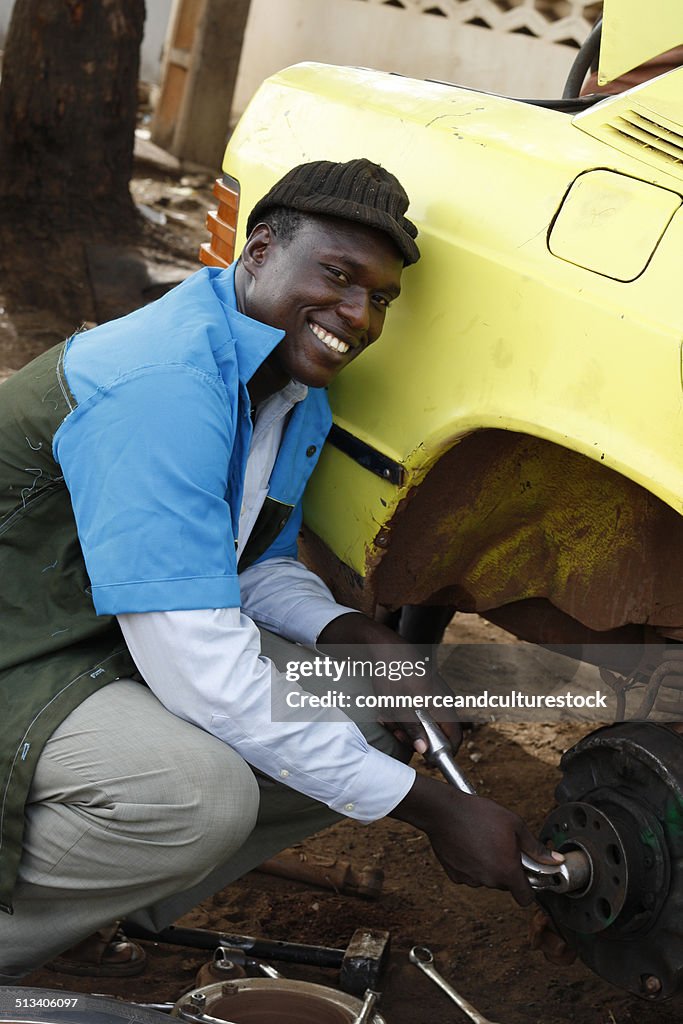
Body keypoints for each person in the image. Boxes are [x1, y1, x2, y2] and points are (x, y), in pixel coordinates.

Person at [0, 158, 559, 980]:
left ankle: (92, 901)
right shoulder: (167, 382)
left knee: (365, 713)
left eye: (379, 299)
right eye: (338, 277)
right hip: (22, 647)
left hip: (95, 633)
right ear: (258, 250)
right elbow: (201, 668)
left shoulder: (285, 395)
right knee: (197, 797)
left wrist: (355, 633)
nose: (358, 316)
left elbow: (250, 563)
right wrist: (437, 810)